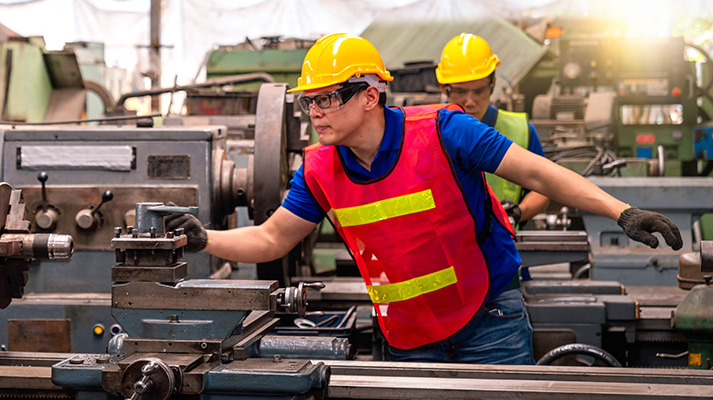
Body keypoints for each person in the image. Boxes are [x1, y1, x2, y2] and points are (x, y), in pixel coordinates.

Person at [166, 33, 683, 365]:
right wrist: (205, 238)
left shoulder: (443, 130)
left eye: (326, 98)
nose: (314, 112)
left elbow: (538, 173)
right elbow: (272, 237)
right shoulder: (320, 168)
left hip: (488, 321)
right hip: (409, 336)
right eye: (309, 101)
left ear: (369, 95)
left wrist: (623, 211)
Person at [436, 32, 549, 225]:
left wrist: (516, 213)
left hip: (504, 247)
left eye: (479, 91)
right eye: (460, 92)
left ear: (493, 83)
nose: (470, 102)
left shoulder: (520, 131)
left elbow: (543, 188)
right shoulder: (426, 132)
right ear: (443, 87)